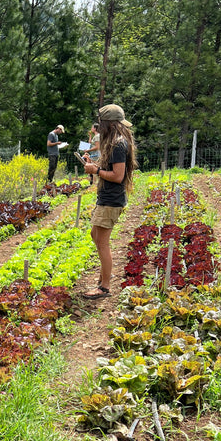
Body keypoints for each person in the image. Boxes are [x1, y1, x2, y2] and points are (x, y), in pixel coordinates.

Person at [82, 104, 137, 299]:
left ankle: (104, 287)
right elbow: (110, 170)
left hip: (111, 200)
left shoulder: (117, 144)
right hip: (106, 198)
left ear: (108, 124)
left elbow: (117, 176)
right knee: (95, 235)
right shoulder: (114, 142)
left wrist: (95, 171)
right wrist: (94, 164)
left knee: (102, 242)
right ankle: (103, 277)